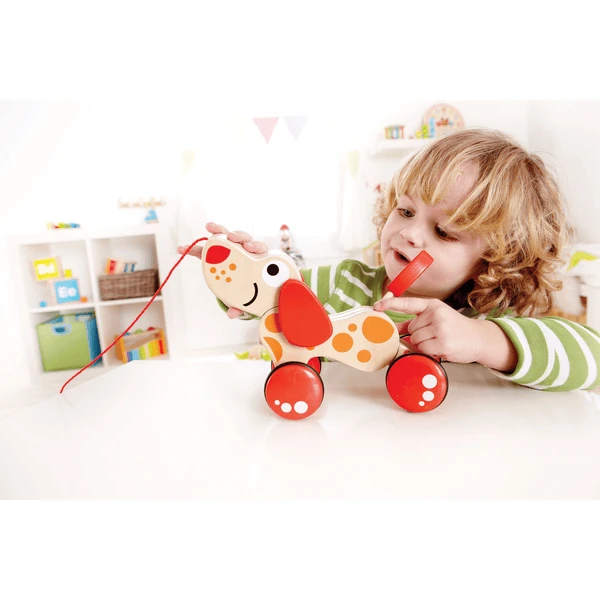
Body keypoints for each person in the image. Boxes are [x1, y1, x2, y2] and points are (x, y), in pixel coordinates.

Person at [178, 128, 600, 392]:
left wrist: (483, 341)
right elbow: (266, 298)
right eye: (406, 210)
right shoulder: (342, 284)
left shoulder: (489, 317)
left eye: (443, 231)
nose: (410, 233)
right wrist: (240, 271)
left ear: (496, 259)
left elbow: (592, 361)